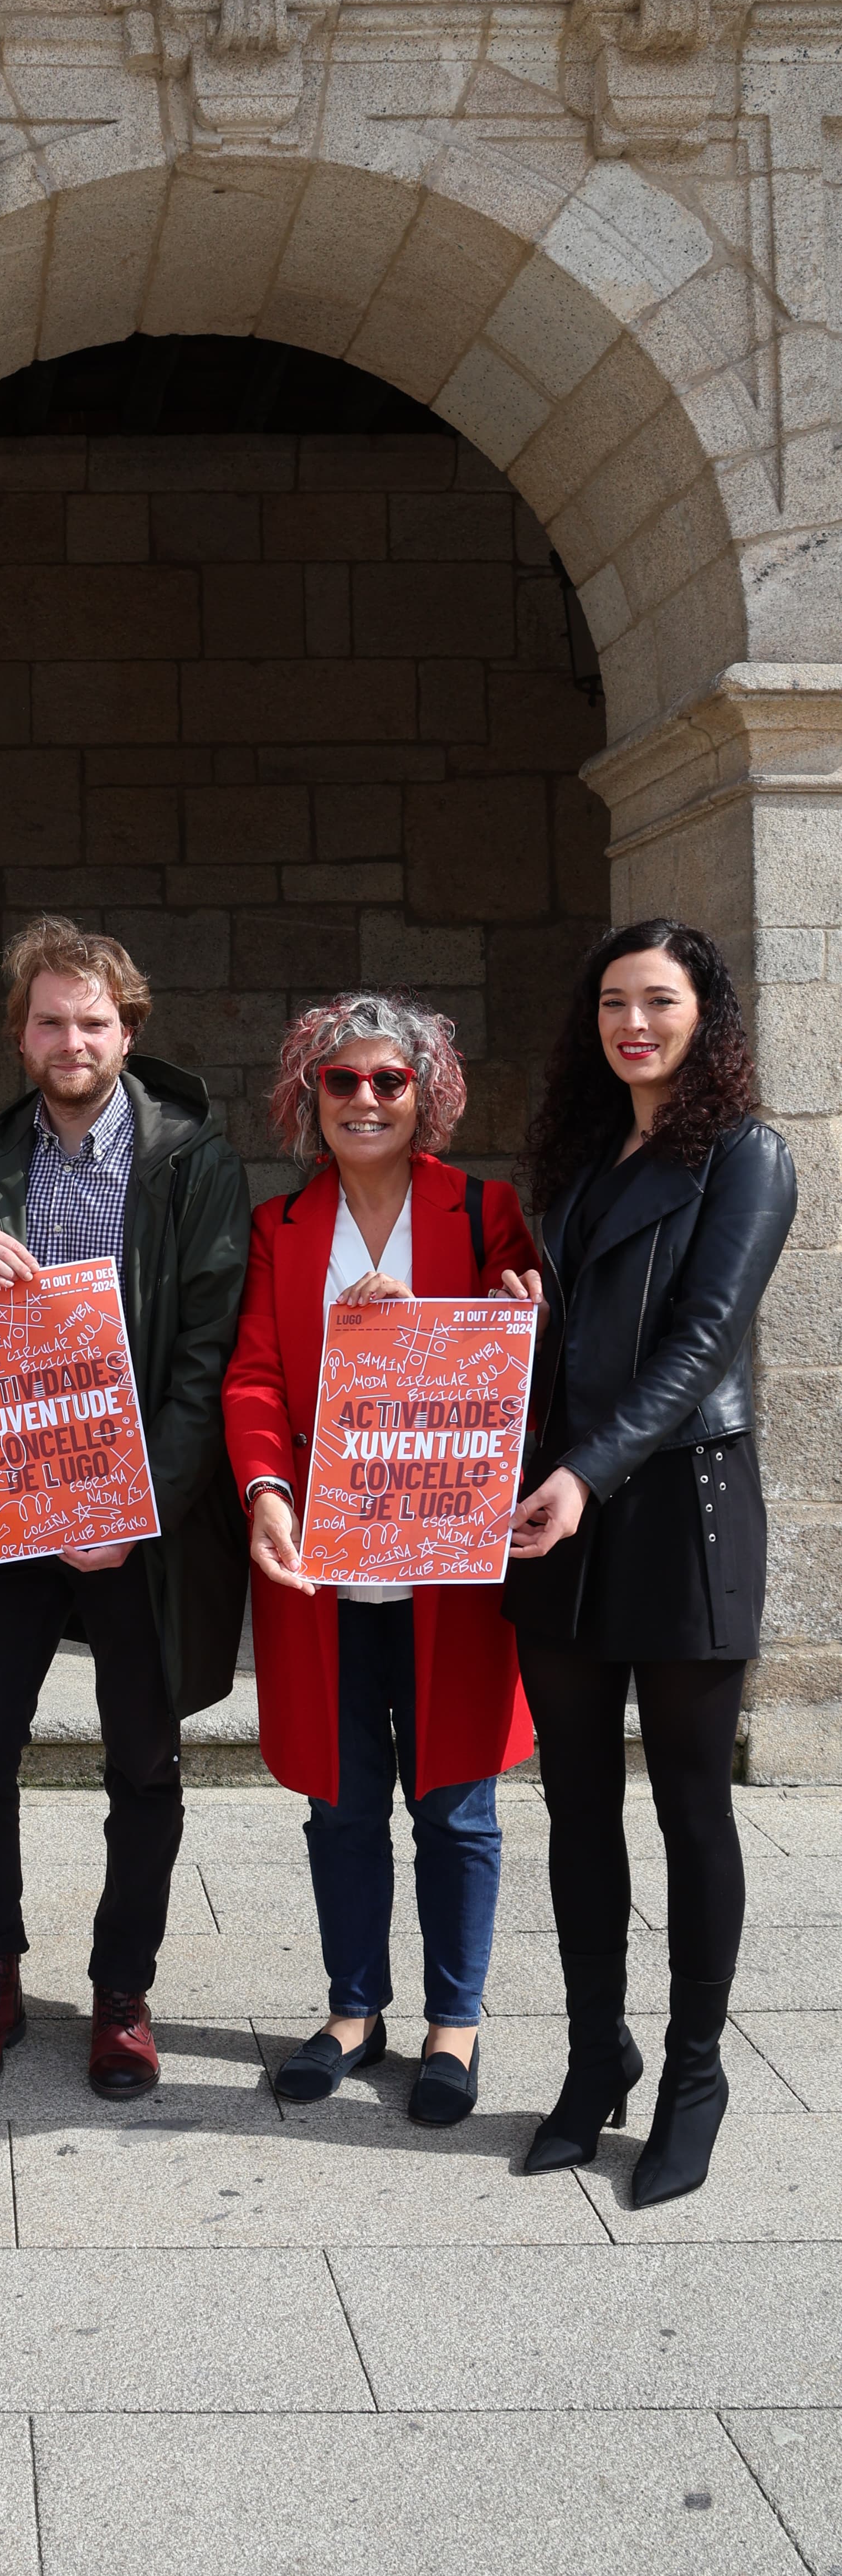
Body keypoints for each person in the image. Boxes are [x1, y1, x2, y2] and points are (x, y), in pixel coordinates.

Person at [0, 918, 251, 2103]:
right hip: (9, 1506)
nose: (72, 1040)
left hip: (139, 1521)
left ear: (129, 1029)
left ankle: (122, 1992)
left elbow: (206, 1354)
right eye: (51, 1020)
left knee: (144, 1764)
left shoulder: (194, 1161)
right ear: (22, 1035)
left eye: (94, 1022)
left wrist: (138, 1503)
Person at [504, 920, 795, 2206]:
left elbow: (700, 1343)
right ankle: (594, 2057)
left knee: (689, 1804)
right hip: (568, 1502)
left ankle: (694, 2076)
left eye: (660, 1001)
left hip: (682, 1504)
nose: (635, 1023)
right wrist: (525, 1329)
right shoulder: (584, 1157)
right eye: (615, 1000)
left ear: (704, 1015)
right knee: (576, 1803)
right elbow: (589, 1335)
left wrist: (583, 1471)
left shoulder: (749, 1156)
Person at [223, 993, 540, 2125]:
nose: (365, 1099)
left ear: (425, 1094)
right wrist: (265, 1491)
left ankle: (455, 2022)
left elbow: (524, 1363)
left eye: (388, 1081)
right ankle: (354, 2011)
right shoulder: (280, 1225)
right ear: (308, 1095)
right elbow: (255, 1377)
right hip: (323, 1565)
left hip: (449, 1567)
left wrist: (474, 1320)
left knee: (455, 1807)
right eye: (341, 1080)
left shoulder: (485, 1213)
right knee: (341, 1805)